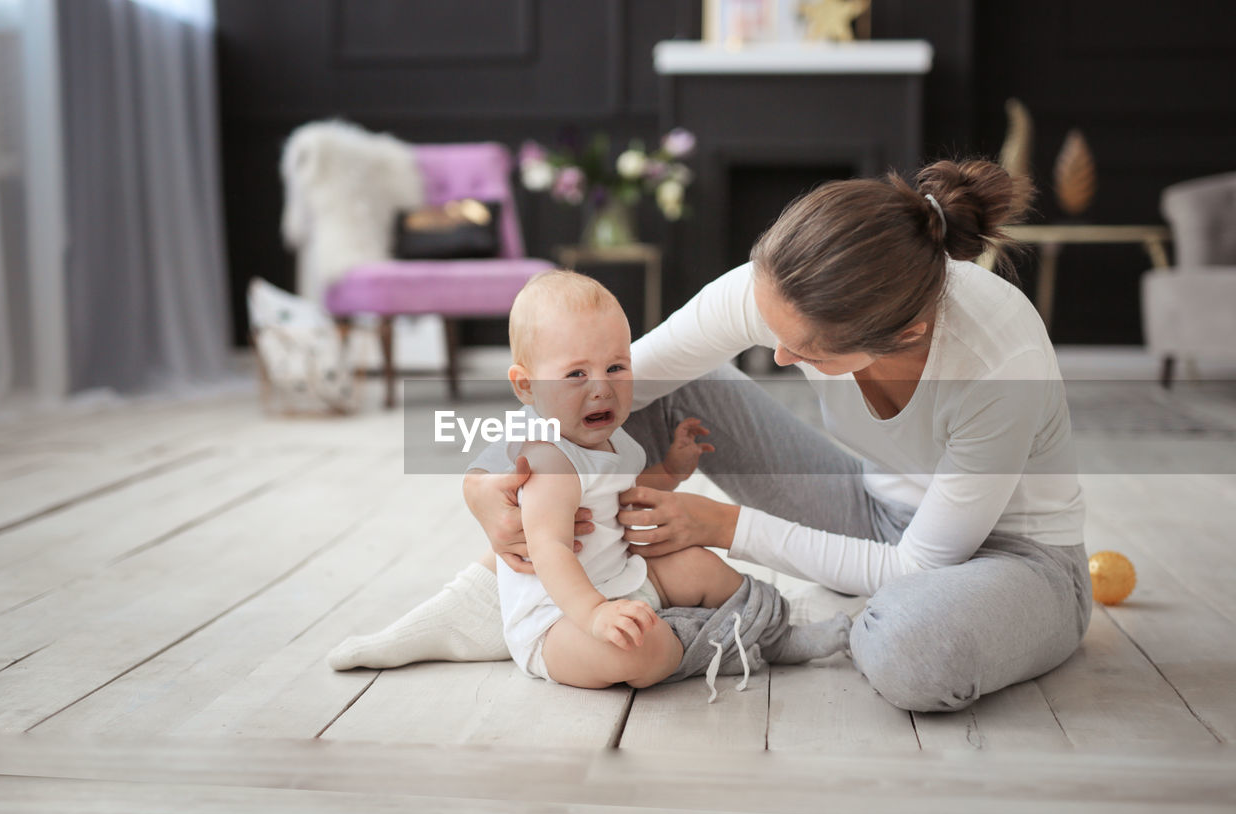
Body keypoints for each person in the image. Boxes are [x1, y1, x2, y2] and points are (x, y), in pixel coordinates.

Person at [333, 159, 1093, 714]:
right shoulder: (784, 288)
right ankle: (511, 594)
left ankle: (673, 618)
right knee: (619, 385)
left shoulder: (999, 360)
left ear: (907, 331)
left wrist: (726, 525)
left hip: (1013, 561)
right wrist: (483, 478)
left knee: (906, 649)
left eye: (809, 352)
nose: (783, 360)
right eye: (774, 332)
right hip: (867, 508)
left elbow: (919, 565)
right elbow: (585, 393)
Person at [328, 271, 851, 686]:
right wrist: (596, 615)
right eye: (576, 374)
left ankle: (773, 634)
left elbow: (625, 497)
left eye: (617, 368)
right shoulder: (548, 460)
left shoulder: (613, 439)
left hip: (624, 580)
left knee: (701, 567)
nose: (601, 389)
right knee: (637, 654)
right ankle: (719, 645)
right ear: (526, 385)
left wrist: (668, 469)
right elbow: (552, 553)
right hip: (559, 621)